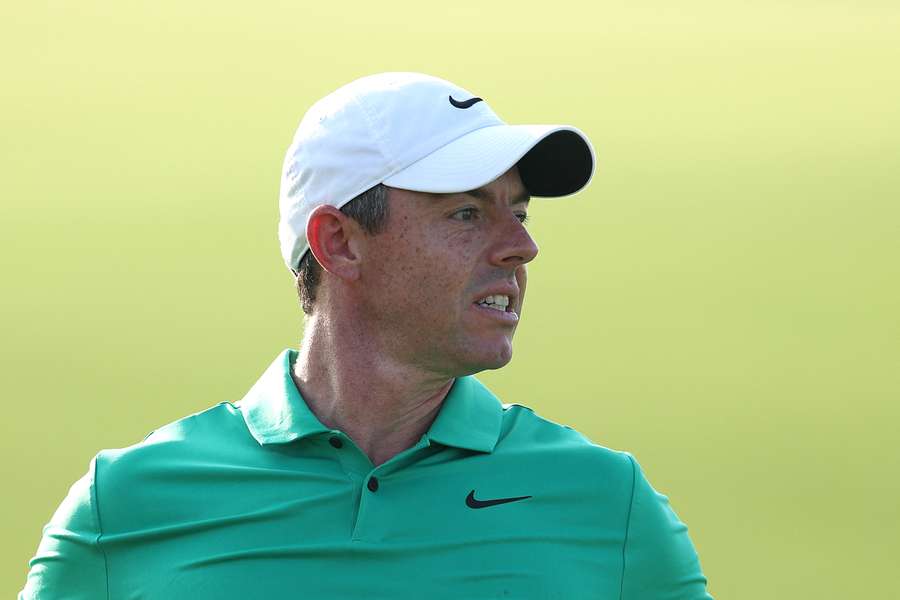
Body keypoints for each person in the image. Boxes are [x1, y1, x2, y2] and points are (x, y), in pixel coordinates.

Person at [20, 72, 713, 599]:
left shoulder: (607, 506)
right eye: (468, 213)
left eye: (520, 211)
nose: (521, 247)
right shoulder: (129, 505)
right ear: (339, 242)